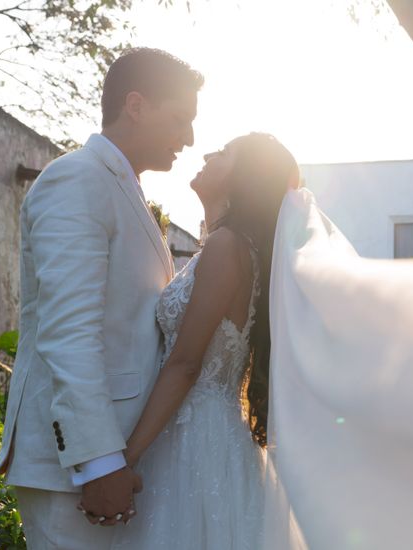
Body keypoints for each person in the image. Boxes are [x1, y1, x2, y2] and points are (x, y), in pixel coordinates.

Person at [0, 47, 202, 549]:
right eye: (180, 119)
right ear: (136, 105)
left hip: (119, 461)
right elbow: (69, 333)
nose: (189, 139)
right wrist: (100, 461)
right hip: (76, 473)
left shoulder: (122, 187)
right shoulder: (77, 178)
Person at [112, 133, 300, 549]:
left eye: (225, 152)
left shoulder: (226, 247)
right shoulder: (234, 249)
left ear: (243, 178)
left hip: (191, 440)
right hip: (214, 435)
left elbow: (185, 363)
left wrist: (125, 459)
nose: (209, 153)